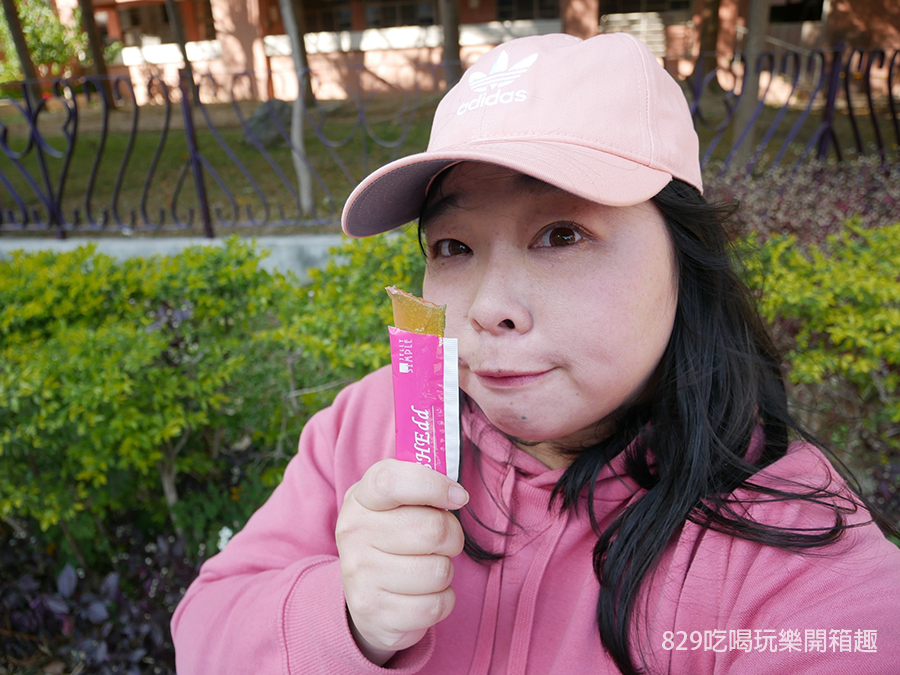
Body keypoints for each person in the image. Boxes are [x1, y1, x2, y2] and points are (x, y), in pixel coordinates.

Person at [171, 33, 900, 674]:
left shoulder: (793, 551)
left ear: (686, 256)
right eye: (453, 247)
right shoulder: (364, 430)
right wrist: (346, 619)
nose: (489, 306)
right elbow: (204, 631)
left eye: (561, 234)